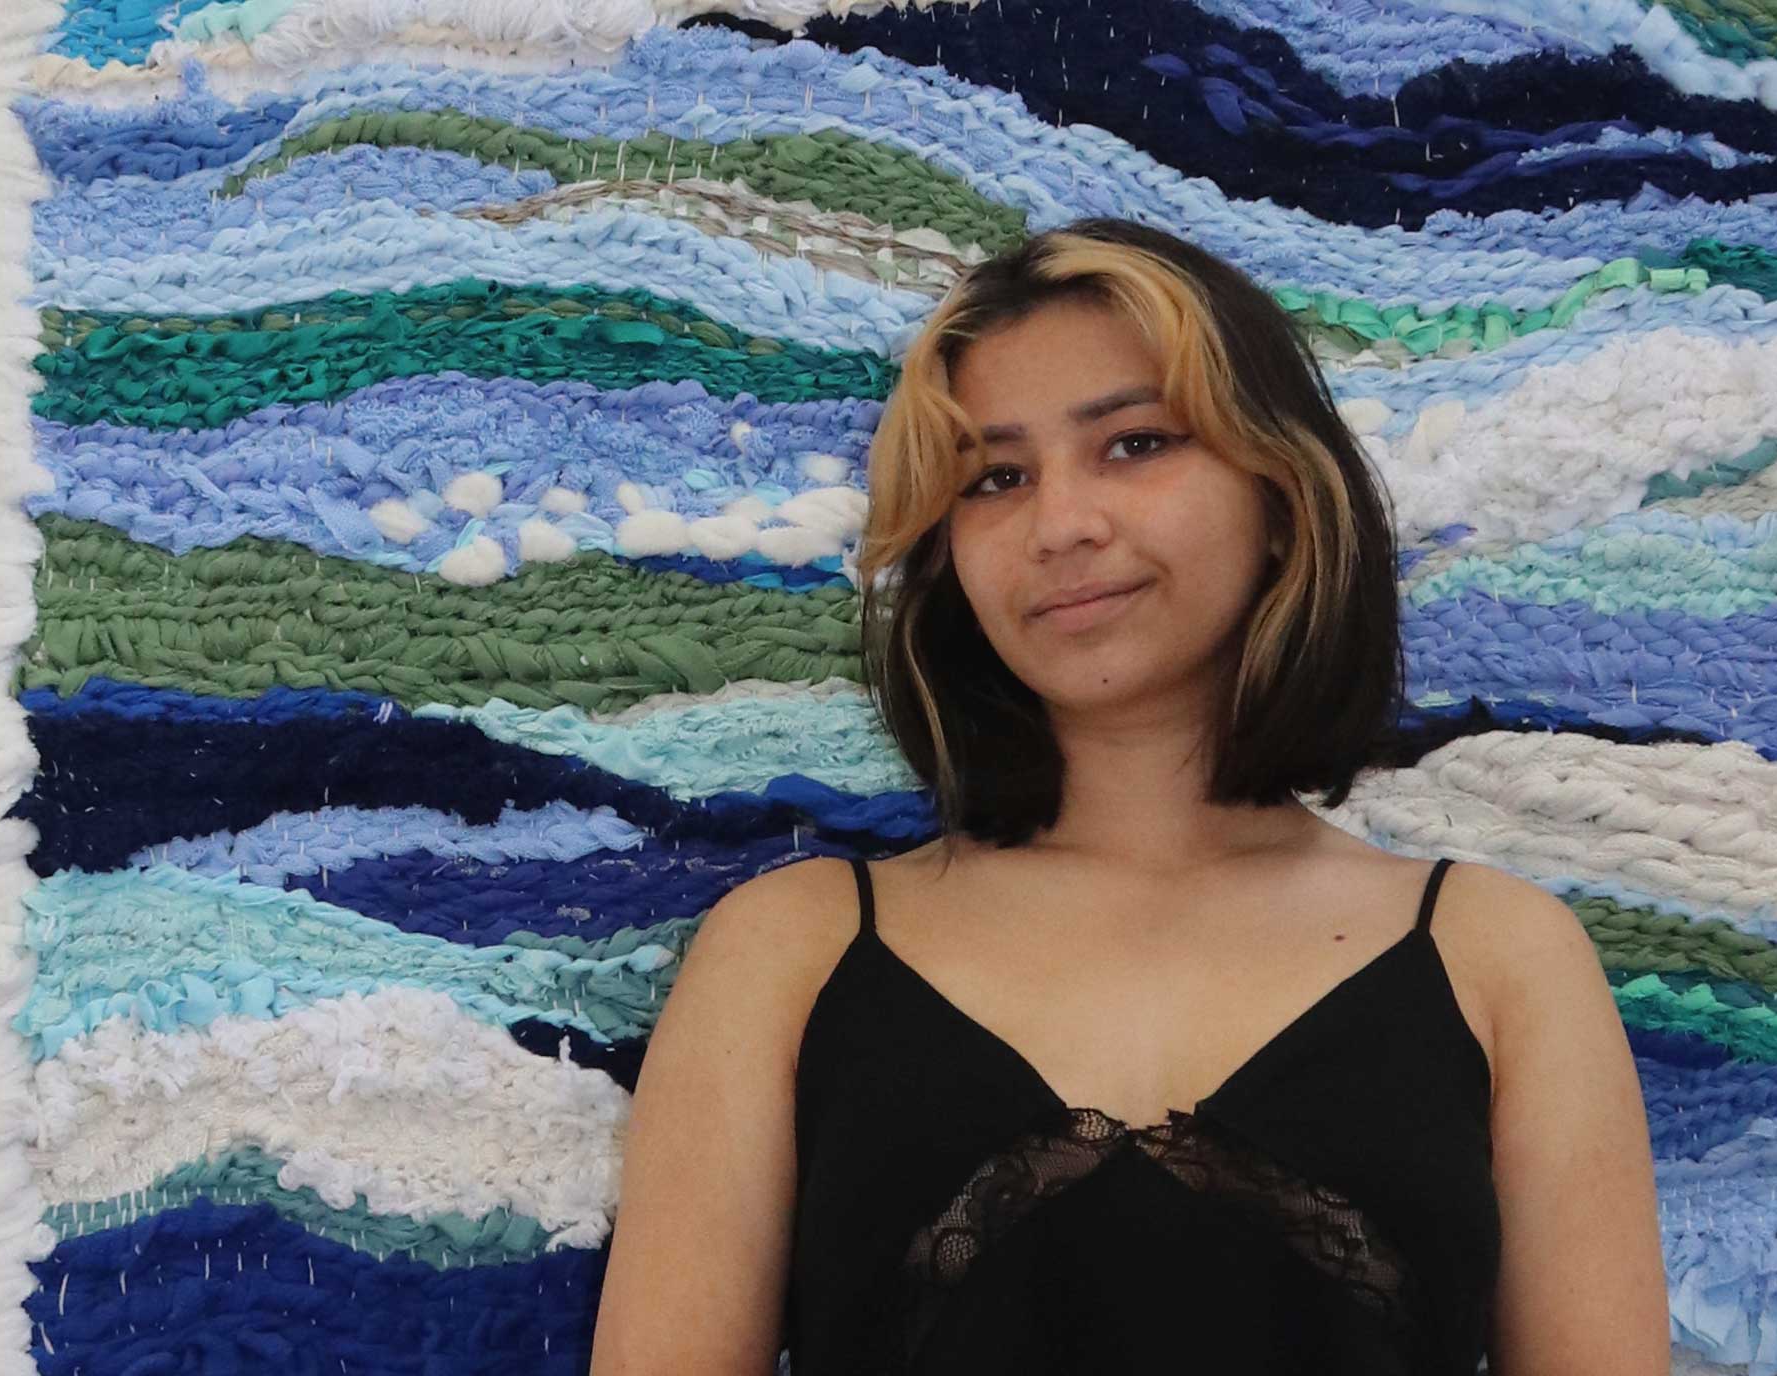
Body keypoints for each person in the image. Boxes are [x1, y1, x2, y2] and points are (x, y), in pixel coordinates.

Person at [592, 217, 1668, 1375]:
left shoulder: (1501, 957)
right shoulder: (789, 951)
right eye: (996, 477)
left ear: (1281, 491)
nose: (1060, 525)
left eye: (1135, 443)